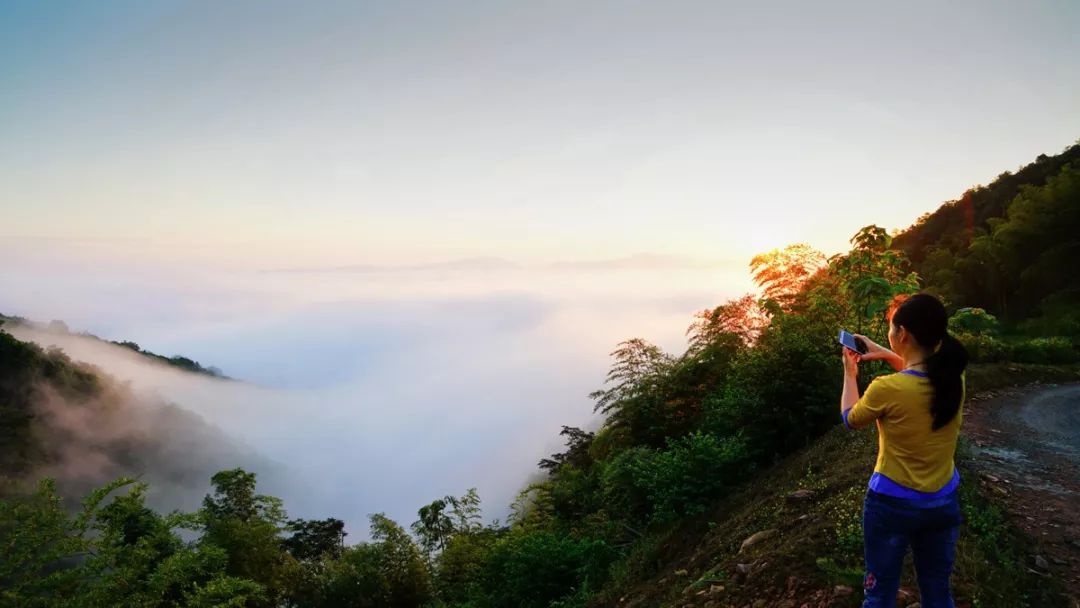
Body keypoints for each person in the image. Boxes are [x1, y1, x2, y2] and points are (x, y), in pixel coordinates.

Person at [840, 293, 969, 608]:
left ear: (904, 335)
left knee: (879, 594)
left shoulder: (887, 388)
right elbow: (916, 375)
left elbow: (851, 418)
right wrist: (886, 353)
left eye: (892, 328)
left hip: (891, 505)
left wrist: (849, 372)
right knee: (938, 590)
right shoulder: (954, 381)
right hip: (942, 501)